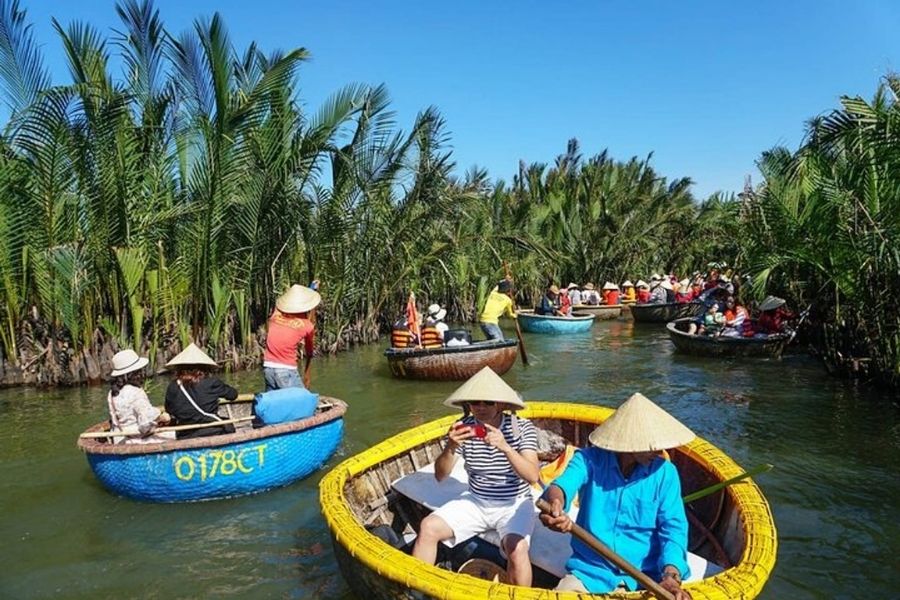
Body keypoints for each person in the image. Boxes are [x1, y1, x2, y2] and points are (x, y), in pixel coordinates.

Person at [539, 392, 694, 599]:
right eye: (651, 445)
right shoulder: (588, 460)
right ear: (629, 444)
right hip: (590, 574)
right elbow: (561, 487)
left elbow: (674, 529)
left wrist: (671, 575)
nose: (659, 452)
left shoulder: (665, 473)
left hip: (645, 578)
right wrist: (556, 503)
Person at [412, 367, 539, 586]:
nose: (480, 408)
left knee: (517, 550)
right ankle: (413, 588)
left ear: (499, 404)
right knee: (428, 527)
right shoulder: (464, 429)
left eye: (487, 402)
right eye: (475, 402)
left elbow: (532, 475)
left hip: (514, 502)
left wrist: (506, 448)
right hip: (477, 500)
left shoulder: (521, 428)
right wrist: (451, 446)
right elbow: (440, 475)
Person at [164, 343, 239, 439]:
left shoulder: (172, 386)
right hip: (213, 431)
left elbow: (169, 410)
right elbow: (233, 395)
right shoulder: (212, 383)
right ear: (204, 367)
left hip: (185, 435)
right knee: (228, 425)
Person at [106, 349, 174, 444]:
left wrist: (157, 411)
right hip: (137, 439)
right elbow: (145, 425)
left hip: (119, 438)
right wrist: (161, 418)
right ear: (134, 373)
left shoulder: (111, 393)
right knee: (175, 434)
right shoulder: (135, 392)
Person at [264, 284, 321, 390]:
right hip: (286, 371)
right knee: (301, 402)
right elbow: (309, 352)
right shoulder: (307, 326)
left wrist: (311, 288)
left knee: (275, 403)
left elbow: (281, 305)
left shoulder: (275, 316)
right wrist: (307, 374)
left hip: (268, 368)